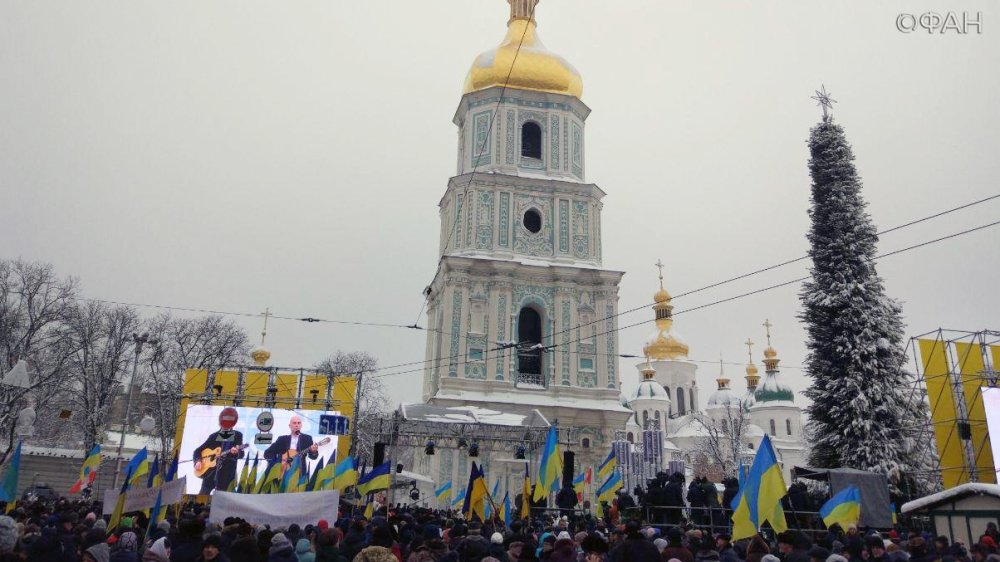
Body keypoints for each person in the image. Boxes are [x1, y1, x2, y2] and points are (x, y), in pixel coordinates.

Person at [193, 407, 246, 494]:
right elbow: (198, 451)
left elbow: (241, 454)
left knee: (223, 500)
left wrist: (236, 452)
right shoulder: (213, 436)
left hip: (226, 476)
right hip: (210, 475)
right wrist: (198, 461)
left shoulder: (237, 435)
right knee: (202, 495)